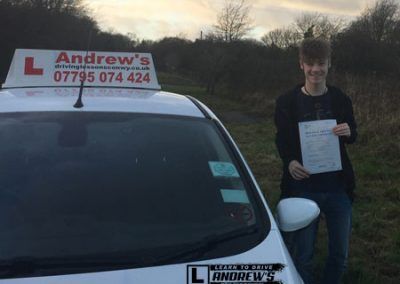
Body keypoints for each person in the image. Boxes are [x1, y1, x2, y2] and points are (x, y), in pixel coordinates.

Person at [274, 37, 357, 284]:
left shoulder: (340, 99)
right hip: (302, 188)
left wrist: (348, 132)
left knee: (339, 256)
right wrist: (289, 162)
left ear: (329, 64)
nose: (315, 69)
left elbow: (352, 134)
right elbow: (282, 141)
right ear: (301, 65)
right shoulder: (287, 102)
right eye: (310, 63)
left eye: (321, 63)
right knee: (303, 256)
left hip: (337, 188)